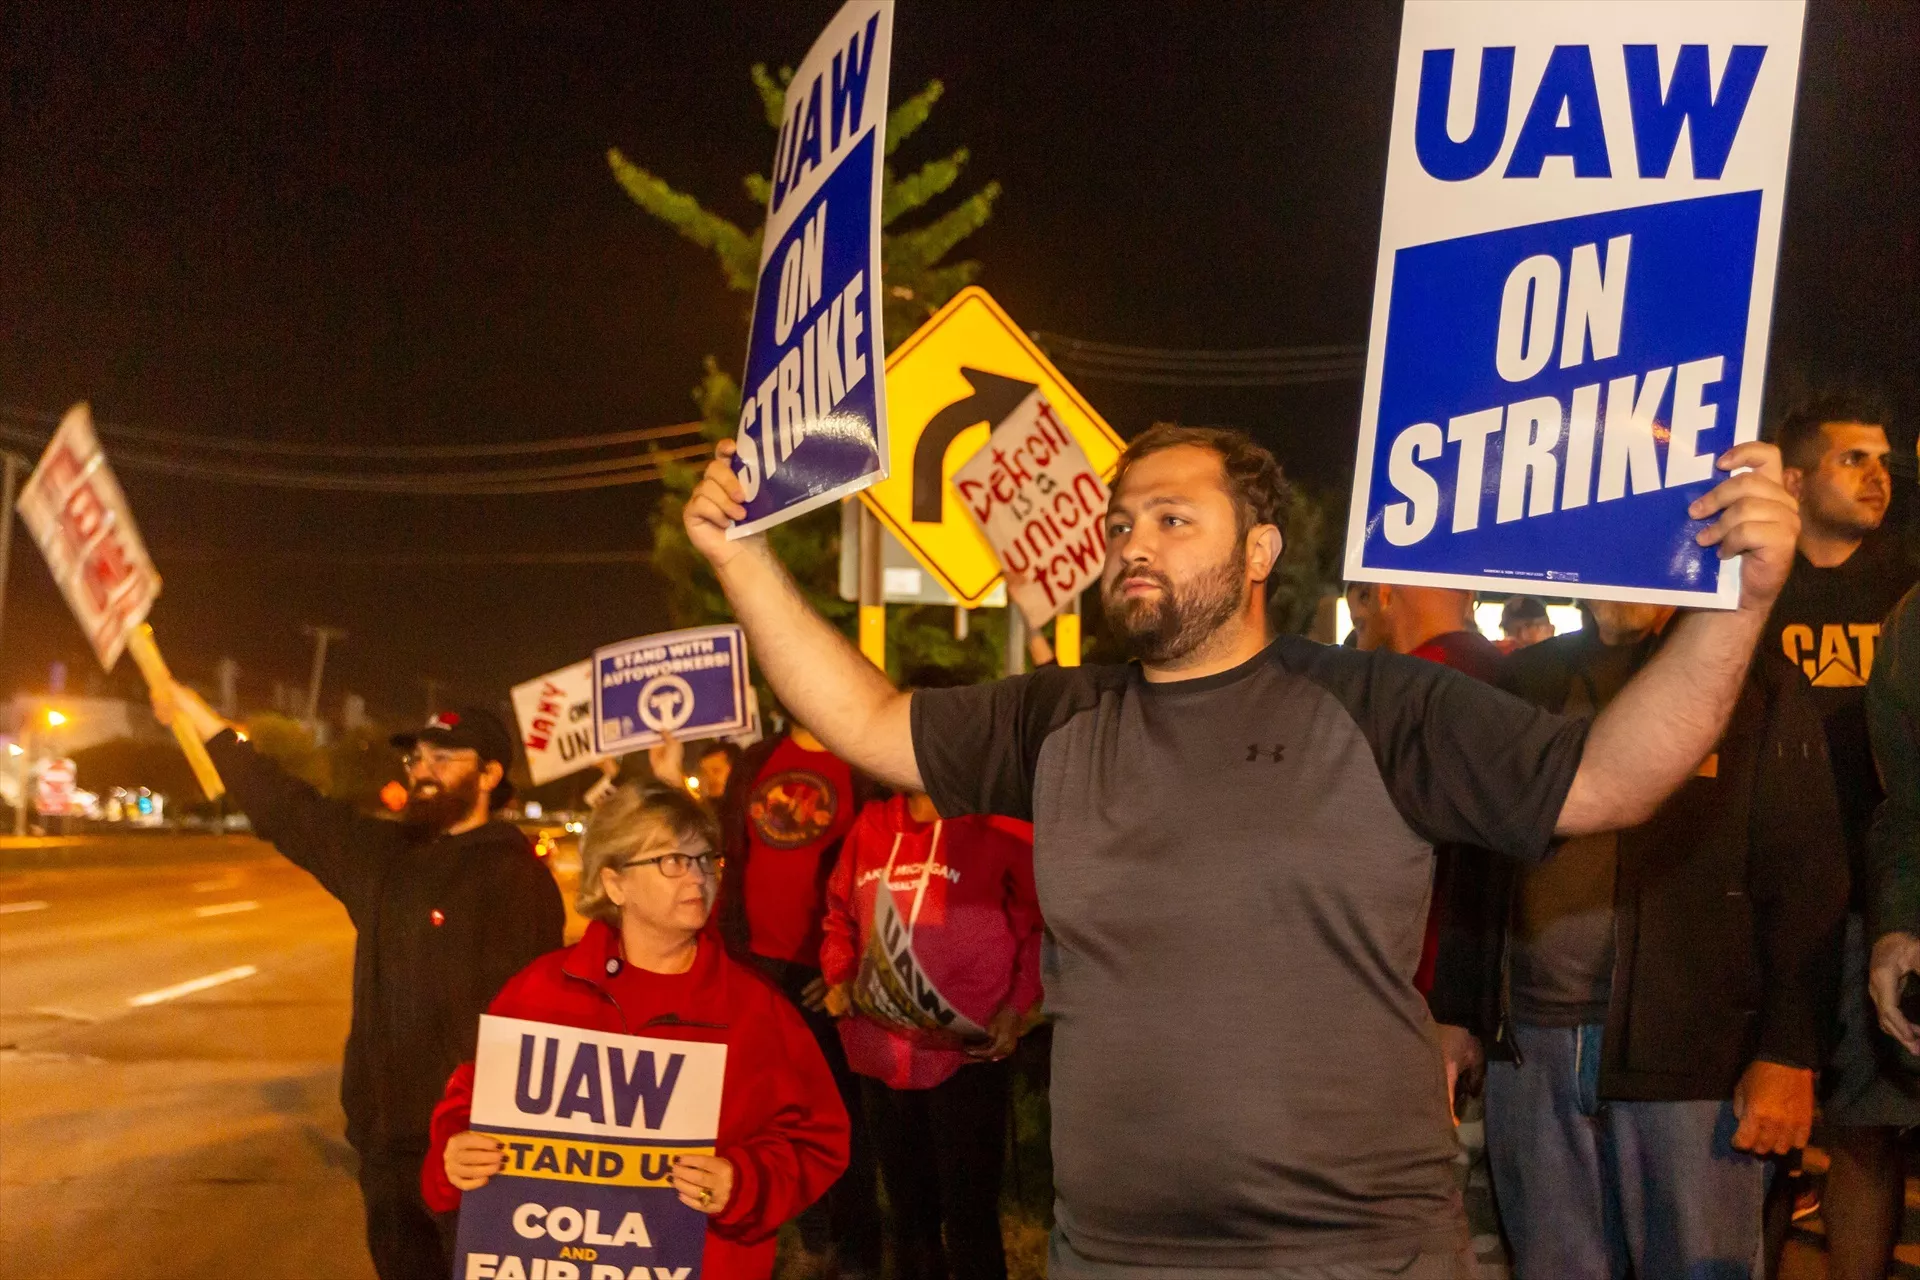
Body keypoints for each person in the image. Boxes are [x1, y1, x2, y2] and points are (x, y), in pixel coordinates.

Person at [679, 418, 1800, 1277]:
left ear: (1259, 547)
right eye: (1120, 523)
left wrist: (1740, 603)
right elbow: (870, 721)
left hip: (1355, 1252)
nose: (1133, 543)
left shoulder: (1381, 703)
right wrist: (741, 563)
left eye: (1174, 518)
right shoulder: (1059, 717)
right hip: (1116, 1251)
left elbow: (1612, 779)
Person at [1429, 599, 1848, 1278]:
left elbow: (1806, 881)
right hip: (1530, 1053)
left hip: (1694, 1065)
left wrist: (1790, 1053)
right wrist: (1456, 1011)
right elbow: (1475, 855)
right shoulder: (1524, 681)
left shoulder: (1755, 684)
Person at [149, 684, 564, 1280]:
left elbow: (535, 1025)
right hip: (386, 1149)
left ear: (492, 774)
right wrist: (199, 718)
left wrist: (495, 1134)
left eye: (444, 759)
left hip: (473, 1154)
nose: (424, 772)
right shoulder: (386, 858)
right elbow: (290, 810)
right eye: (417, 758)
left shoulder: (516, 879)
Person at [423, 783, 850, 1279]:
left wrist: (744, 1182)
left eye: (705, 859)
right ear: (614, 883)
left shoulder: (755, 1009)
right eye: (671, 860)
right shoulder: (540, 991)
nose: (697, 877)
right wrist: (455, 1153)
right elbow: (469, 1102)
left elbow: (818, 1138)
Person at [1762, 393, 1917, 1279]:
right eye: (1852, 459)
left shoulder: (1905, 589)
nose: (1877, 477)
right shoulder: (1756, 587)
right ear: (1794, 479)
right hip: (1772, 900)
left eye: (1884, 460)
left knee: (1869, 1128)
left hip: (1874, 902)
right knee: (1760, 1135)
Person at [819, 672, 1044, 1280]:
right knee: (910, 1217)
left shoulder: (1000, 829)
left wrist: (1014, 1010)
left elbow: (1037, 928)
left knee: (969, 1216)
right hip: (882, 1055)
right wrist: (840, 976)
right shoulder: (869, 829)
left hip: (967, 1056)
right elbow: (839, 913)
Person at [715, 721, 881, 1277]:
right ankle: (812, 1238)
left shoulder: (860, 758)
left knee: (839, 1112)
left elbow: (878, 868)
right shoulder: (756, 761)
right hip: (757, 965)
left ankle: (857, 1245)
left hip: (828, 971)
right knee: (774, 1109)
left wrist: (847, 964)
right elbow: (732, 855)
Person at [1366, 583, 1504, 682]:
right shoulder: (1503, 670)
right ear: (1469, 596)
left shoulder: (1392, 690)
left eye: (1360, 625)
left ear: (1384, 594)